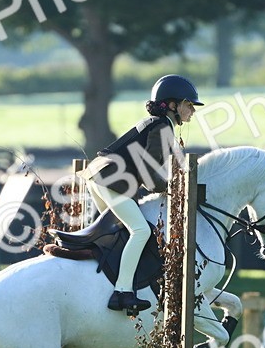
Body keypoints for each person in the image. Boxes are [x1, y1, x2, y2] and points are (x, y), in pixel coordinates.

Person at [83, 74, 201, 313]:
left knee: (119, 233)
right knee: (140, 230)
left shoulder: (157, 124)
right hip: (109, 180)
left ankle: (106, 281)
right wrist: (172, 188)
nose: (192, 111)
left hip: (100, 176)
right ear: (172, 105)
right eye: (189, 105)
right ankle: (122, 292)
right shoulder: (162, 127)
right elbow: (148, 173)